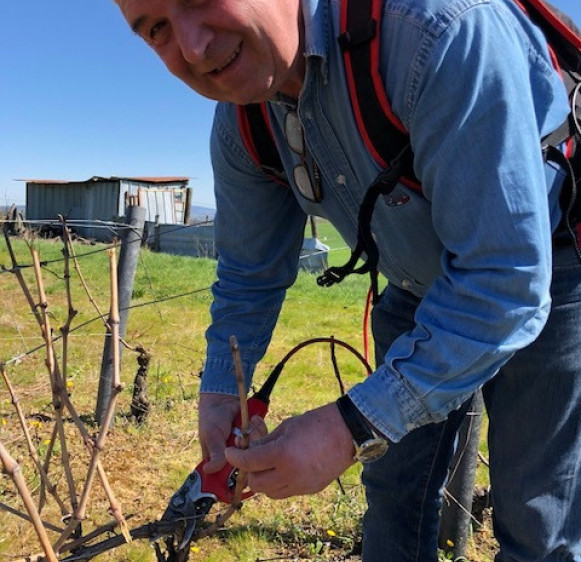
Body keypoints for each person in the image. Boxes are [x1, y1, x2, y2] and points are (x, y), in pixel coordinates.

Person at [114, 0, 581, 560]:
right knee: (393, 493)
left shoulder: (435, 32)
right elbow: (247, 273)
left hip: (551, 270)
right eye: (157, 29)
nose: (192, 47)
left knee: (537, 521)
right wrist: (219, 395)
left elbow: (503, 277)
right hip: (414, 285)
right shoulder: (243, 121)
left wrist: (348, 427)